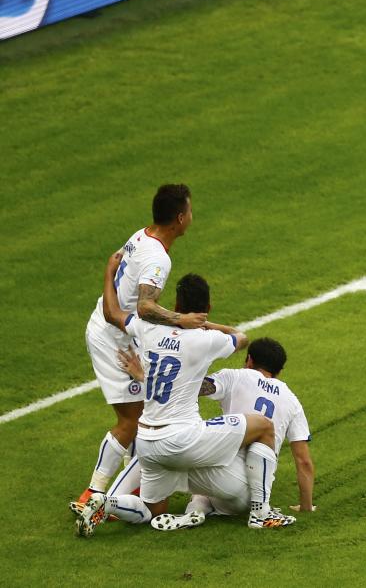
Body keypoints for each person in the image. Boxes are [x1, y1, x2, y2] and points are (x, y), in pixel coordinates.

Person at [75, 255, 296, 536]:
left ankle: (107, 501)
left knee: (153, 510)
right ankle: (260, 513)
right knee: (263, 426)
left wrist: (108, 273)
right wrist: (203, 324)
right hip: (183, 439)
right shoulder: (205, 340)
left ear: (176, 304)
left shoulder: (148, 327)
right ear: (206, 309)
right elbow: (241, 338)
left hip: (147, 442)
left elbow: (111, 313)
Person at [74, 184, 207, 513]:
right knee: (132, 419)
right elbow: (146, 306)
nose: (192, 216)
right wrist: (182, 319)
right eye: (189, 211)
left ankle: (133, 490)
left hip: (119, 331)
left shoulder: (141, 236)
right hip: (115, 339)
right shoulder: (158, 258)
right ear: (179, 218)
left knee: (145, 410)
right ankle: (95, 495)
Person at [141, 337, 315, 531]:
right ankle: (253, 511)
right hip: (251, 495)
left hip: (220, 477)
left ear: (249, 360)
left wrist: (151, 376)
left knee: (162, 453)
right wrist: (306, 506)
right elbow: (304, 461)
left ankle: (192, 509)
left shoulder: (236, 376)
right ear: (279, 371)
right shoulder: (292, 401)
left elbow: (194, 389)